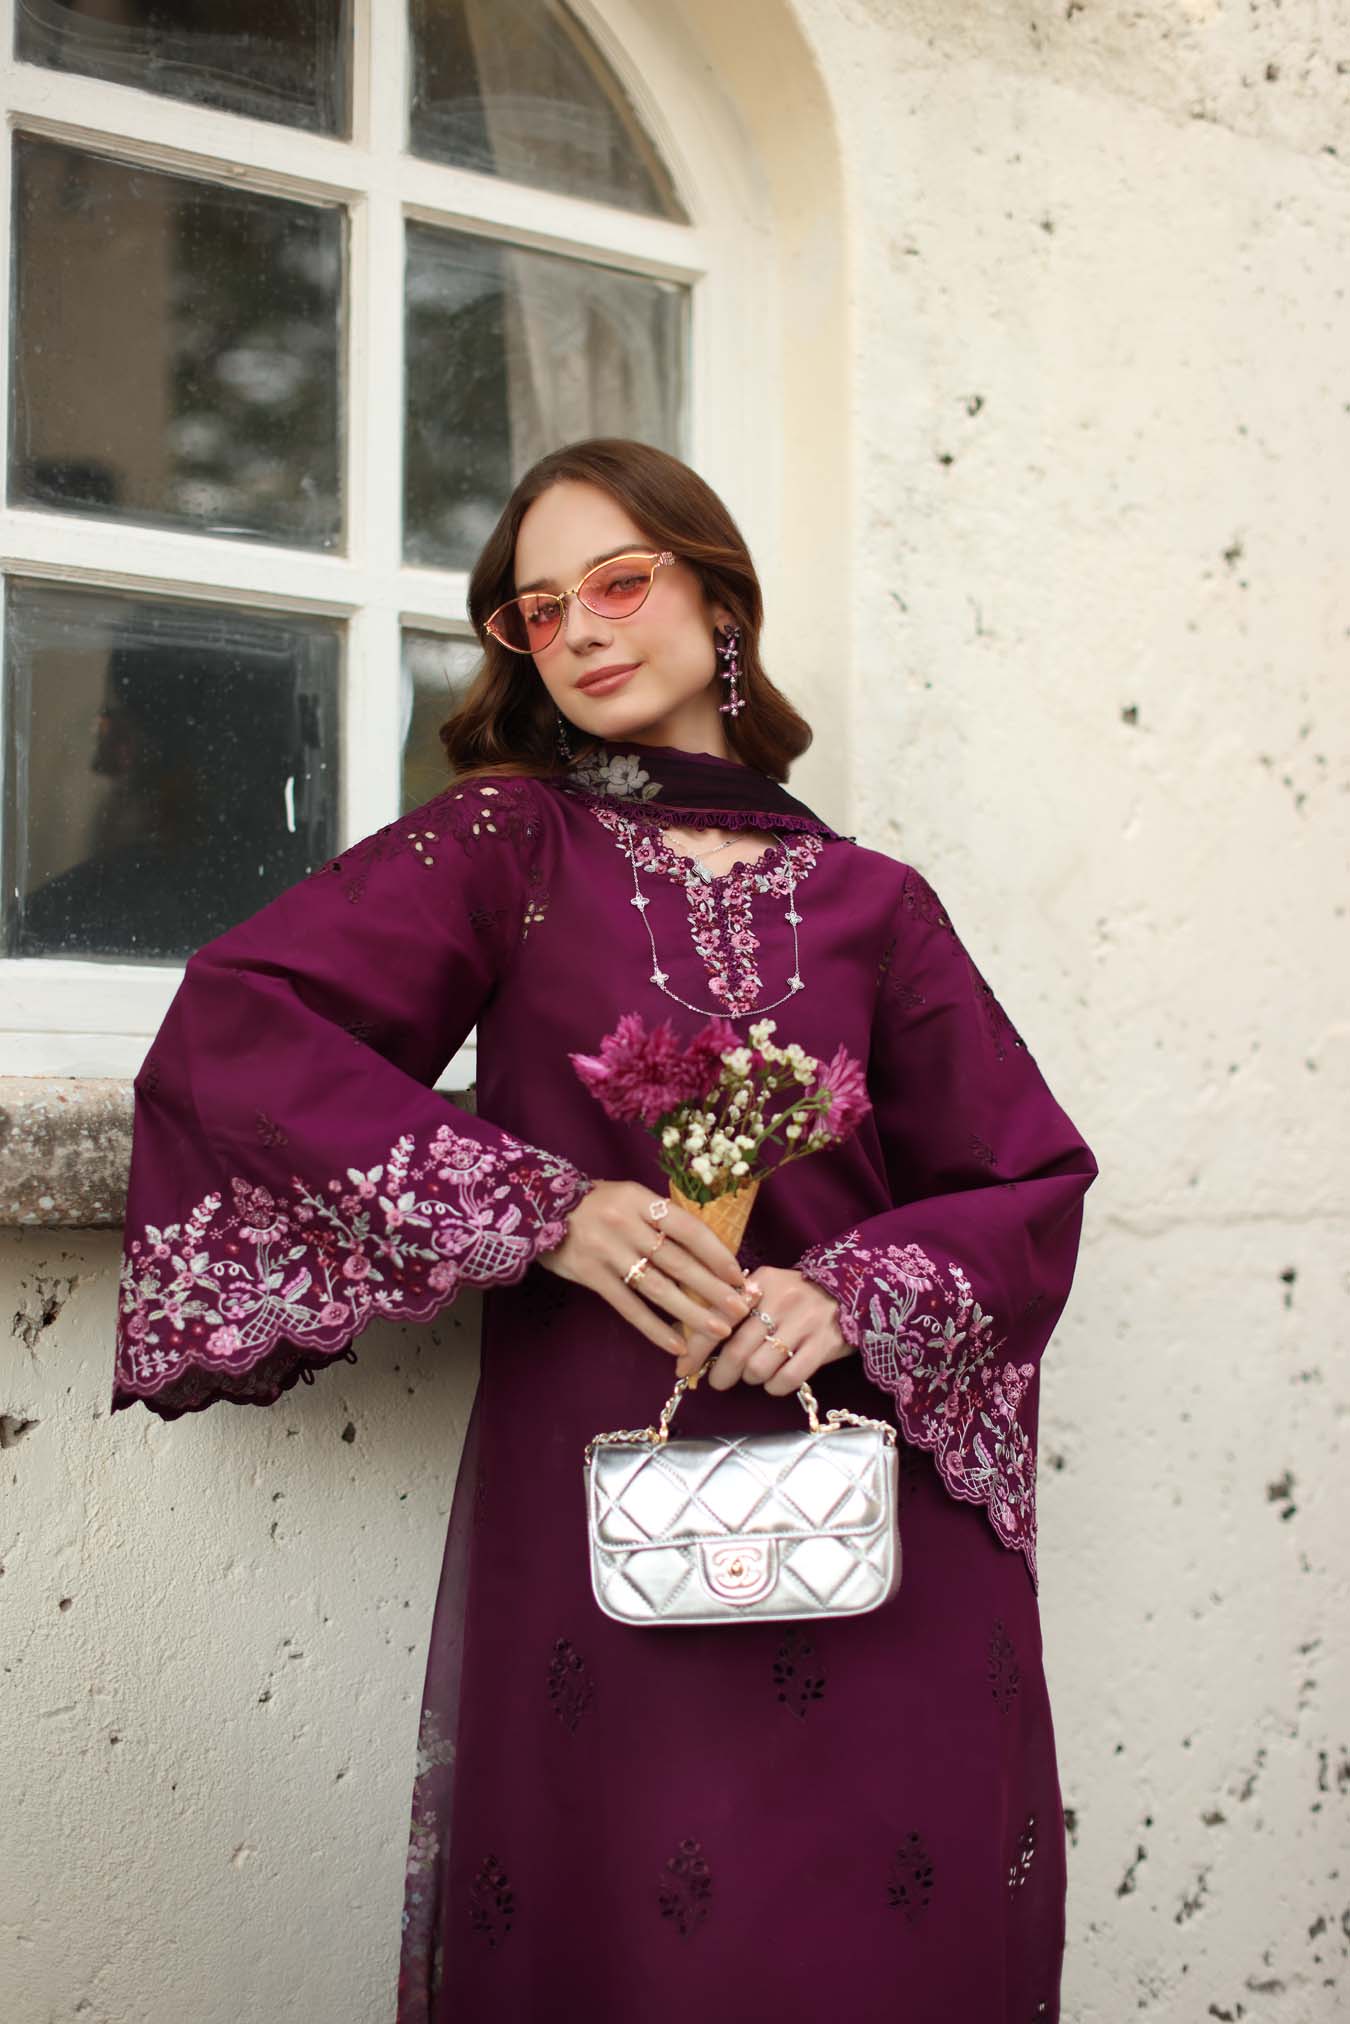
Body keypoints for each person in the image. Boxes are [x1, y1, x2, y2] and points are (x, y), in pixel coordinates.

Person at [111, 437, 1097, 2023]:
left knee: (882, 1948)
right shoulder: (505, 847)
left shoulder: (876, 902)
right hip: (610, 1503)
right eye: (536, 608)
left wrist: (854, 1291)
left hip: (868, 1517)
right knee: (639, 1944)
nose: (577, 627)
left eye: (620, 581)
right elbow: (239, 1032)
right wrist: (544, 1209)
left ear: (720, 603)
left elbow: (1024, 1178)